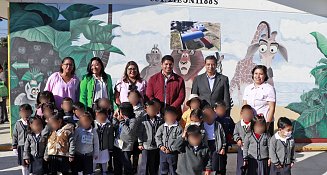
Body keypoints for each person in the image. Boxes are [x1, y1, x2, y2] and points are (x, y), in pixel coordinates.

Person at [243, 65, 276, 136]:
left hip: (264, 123)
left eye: (261, 74)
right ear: (252, 74)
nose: (258, 76)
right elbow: (244, 106)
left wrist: (267, 124)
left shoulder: (269, 88)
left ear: (265, 75)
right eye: (256, 73)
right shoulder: (248, 88)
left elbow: (272, 108)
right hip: (251, 122)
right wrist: (245, 122)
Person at [137, 100, 164, 175]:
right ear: (146, 109)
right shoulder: (142, 120)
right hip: (146, 145)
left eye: (154, 109)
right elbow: (140, 132)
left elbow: (161, 132)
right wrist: (140, 143)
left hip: (156, 146)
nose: (152, 111)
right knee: (144, 164)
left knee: (154, 163)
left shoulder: (159, 120)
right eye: (150, 109)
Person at [155, 106, 183, 175]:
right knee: (163, 168)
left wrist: (171, 149)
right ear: (164, 117)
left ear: (176, 116)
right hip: (163, 152)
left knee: (173, 169)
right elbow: (157, 137)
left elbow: (179, 141)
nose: (169, 118)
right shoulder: (162, 127)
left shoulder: (179, 128)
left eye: (171, 116)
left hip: (173, 153)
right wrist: (160, 146)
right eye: (167, 116)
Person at [112, 102, 138, 175]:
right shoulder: (120, 118)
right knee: (117, 164)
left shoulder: (133, 120)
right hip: (117, 144)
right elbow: (114, 126)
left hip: (126, 146)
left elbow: (129, 132)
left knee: (126, 164)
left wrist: (122, 122)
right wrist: (114, 118)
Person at [202, 105, 227, 175]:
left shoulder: (218, 125)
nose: (209, 117)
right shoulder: (202, 125)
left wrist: (223, 147)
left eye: (210, 115)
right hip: (206, 144)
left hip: (215, 144)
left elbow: (223, 137)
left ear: (214, 115)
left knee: (215, 164)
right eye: (206, 116)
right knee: (206, 162)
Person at [213, 101, 235, 174]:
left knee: (223, 160)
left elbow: (233, 129)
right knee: (215, 161)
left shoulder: (228, 118)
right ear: (215, 109)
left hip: (225, 143)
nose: (221, 111)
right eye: (219, 110)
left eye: (223, 110)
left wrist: (230, 136)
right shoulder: (213, 119)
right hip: (215, 143)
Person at [233, 104, 254, 175]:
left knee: (250, 166)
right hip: (241, 148)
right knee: (240, 165)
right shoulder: (238, 125)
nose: (248, 116)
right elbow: (235, 134)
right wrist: (238, 139)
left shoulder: (253, 125)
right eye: (246, 114)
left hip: (251, 149)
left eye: (250, 114)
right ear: (241, 114)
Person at [12, 104, 33, 175]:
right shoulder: (18, 123)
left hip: (31, 146)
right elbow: (15, 135)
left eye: (27, 112)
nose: (25, 114)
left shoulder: (33, 122)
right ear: (20, 113)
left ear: (31, 112)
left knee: (31, 162)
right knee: (23, 164)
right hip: (22, 146)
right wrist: (14, 147)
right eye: (23, 112)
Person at [93, 107, 114, 174]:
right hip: (95, 148)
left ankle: (104, 171)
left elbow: (110, 137)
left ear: (106, 115)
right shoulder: (93, 124)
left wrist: (110, 147)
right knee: (94, 160)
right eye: (98, 115)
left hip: (104, 147)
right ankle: (92, 171)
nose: (100, 117)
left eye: (102, 115)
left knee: (104, 160)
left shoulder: (109, 125)